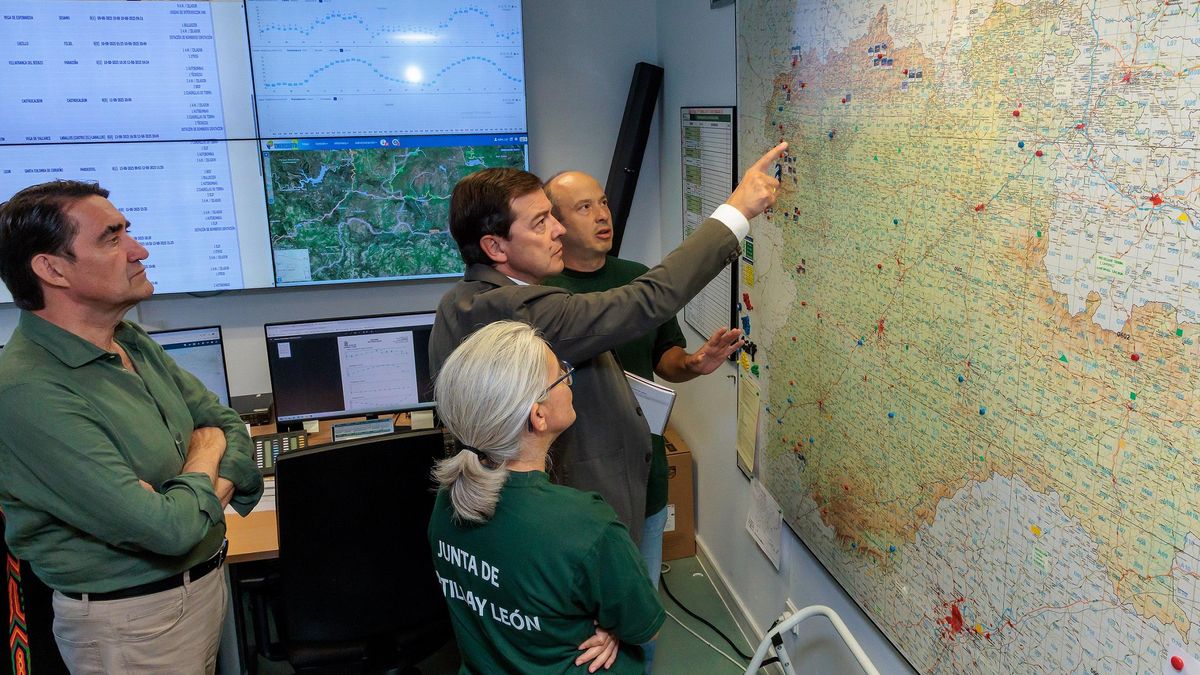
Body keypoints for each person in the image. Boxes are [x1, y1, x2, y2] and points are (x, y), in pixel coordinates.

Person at [429, 143, 786, 549]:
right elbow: (649, 299)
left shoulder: (455, 303)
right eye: (541, 222)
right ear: (495, 247)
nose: (558, 229)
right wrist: (736, 211)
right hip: (577, 519)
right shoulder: (520, 310)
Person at [0, 180, 264, 674]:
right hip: (131, 624)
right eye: (112, 238)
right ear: (52, 269)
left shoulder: (128, 339)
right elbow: (167, 531)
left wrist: (190, 482)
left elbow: (225, 424)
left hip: (198, 593)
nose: (139, 251)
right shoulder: (25, 390)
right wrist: (205, 455)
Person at [543, 169, 743, 671]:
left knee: (639, 613)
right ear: (557, 223)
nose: (602, 215)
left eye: (603, 202)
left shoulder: (638, 278)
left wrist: (693, 363)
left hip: (642, 473)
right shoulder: (544, 294)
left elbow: (664, 357)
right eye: (584, 207)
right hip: (572, 481)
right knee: (580, 624)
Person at [428, 319, 664, 673]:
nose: (569, 379)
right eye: (560, 375)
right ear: (538, 415)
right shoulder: (586, 525)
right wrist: (614, 630)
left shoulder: (449, 497)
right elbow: (645, 628)